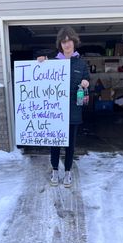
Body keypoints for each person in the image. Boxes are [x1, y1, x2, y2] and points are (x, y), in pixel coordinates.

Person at [38, 26, 90, 188]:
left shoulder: (81, 64)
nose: (67, 45)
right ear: (60, 44)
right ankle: (55, 170)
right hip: (55, 112)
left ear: (74, 43)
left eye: (69, 41)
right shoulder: (52, 63)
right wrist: (39, 63)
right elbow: (40, 77)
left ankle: (67, 172)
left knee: (70, 145)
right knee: (55, 143)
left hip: (73, 112)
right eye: (63, 42)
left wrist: (86, 83)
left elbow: (87, 80)